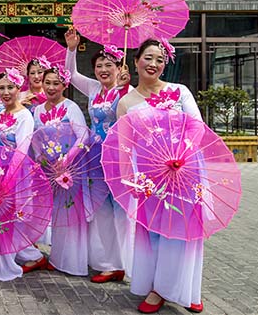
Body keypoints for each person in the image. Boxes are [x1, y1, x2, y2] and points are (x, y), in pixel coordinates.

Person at [117, 38, 204, 314]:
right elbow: (123, 145)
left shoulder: (179, 92)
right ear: (136, 61)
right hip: (149, 177)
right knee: (156, 232)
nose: (154, 64)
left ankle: (186, 287)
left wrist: (181, 154)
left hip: (184, 171)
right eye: (149, 57)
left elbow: (197, 128)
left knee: (184, 231)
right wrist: (126, 176)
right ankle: (159, 287)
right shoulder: (126, 102)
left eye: (160, 59)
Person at [64, 28, 133, 283]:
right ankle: (109, 263)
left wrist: (126, 89)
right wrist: (71, 48)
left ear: (119, 67)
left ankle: (130, 263)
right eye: (99, 65)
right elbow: (70, 75)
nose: (104, 69)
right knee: (102, 210)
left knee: (123, 212)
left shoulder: (127, 90)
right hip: (94, 158)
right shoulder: (94, 88)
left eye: (109, 65)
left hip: (119, 158)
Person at [31, 65, 92, 276]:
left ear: (64, 85)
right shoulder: (38, 110)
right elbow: (35, 137)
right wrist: (41, 157)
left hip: (71, 169)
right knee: (57, 213)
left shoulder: (71, 107)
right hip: (49, 170)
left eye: (56, 83)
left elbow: (83, 136)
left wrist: (67, 159)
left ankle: (73, 262)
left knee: (71, 214)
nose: (50, 87)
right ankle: (57, 258)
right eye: (47, 82)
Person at [0, 68, 45, 280]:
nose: (5, 92)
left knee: (7, 218)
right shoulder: (2, 113)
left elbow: (21, 151)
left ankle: (6, 262)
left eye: (10, 87)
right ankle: (27, 255)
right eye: (1, 88)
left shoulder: (24, 116)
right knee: (1, 218)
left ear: (19, 88)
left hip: (16, 174)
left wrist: (8, 179)